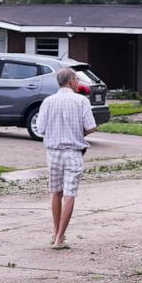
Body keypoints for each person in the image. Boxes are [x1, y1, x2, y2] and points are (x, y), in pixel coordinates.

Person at [36, 67, 97, 250]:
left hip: (53, 152)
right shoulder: (81, 101)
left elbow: (40, 128)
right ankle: (60, 238)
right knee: (69, 195)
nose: (78, 82)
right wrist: (79, 131)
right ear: (70, 81)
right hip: (73, 152)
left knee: (56, 192)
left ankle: (56, 233)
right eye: (77, 79)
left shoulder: (48, 101)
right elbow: (91, 126)